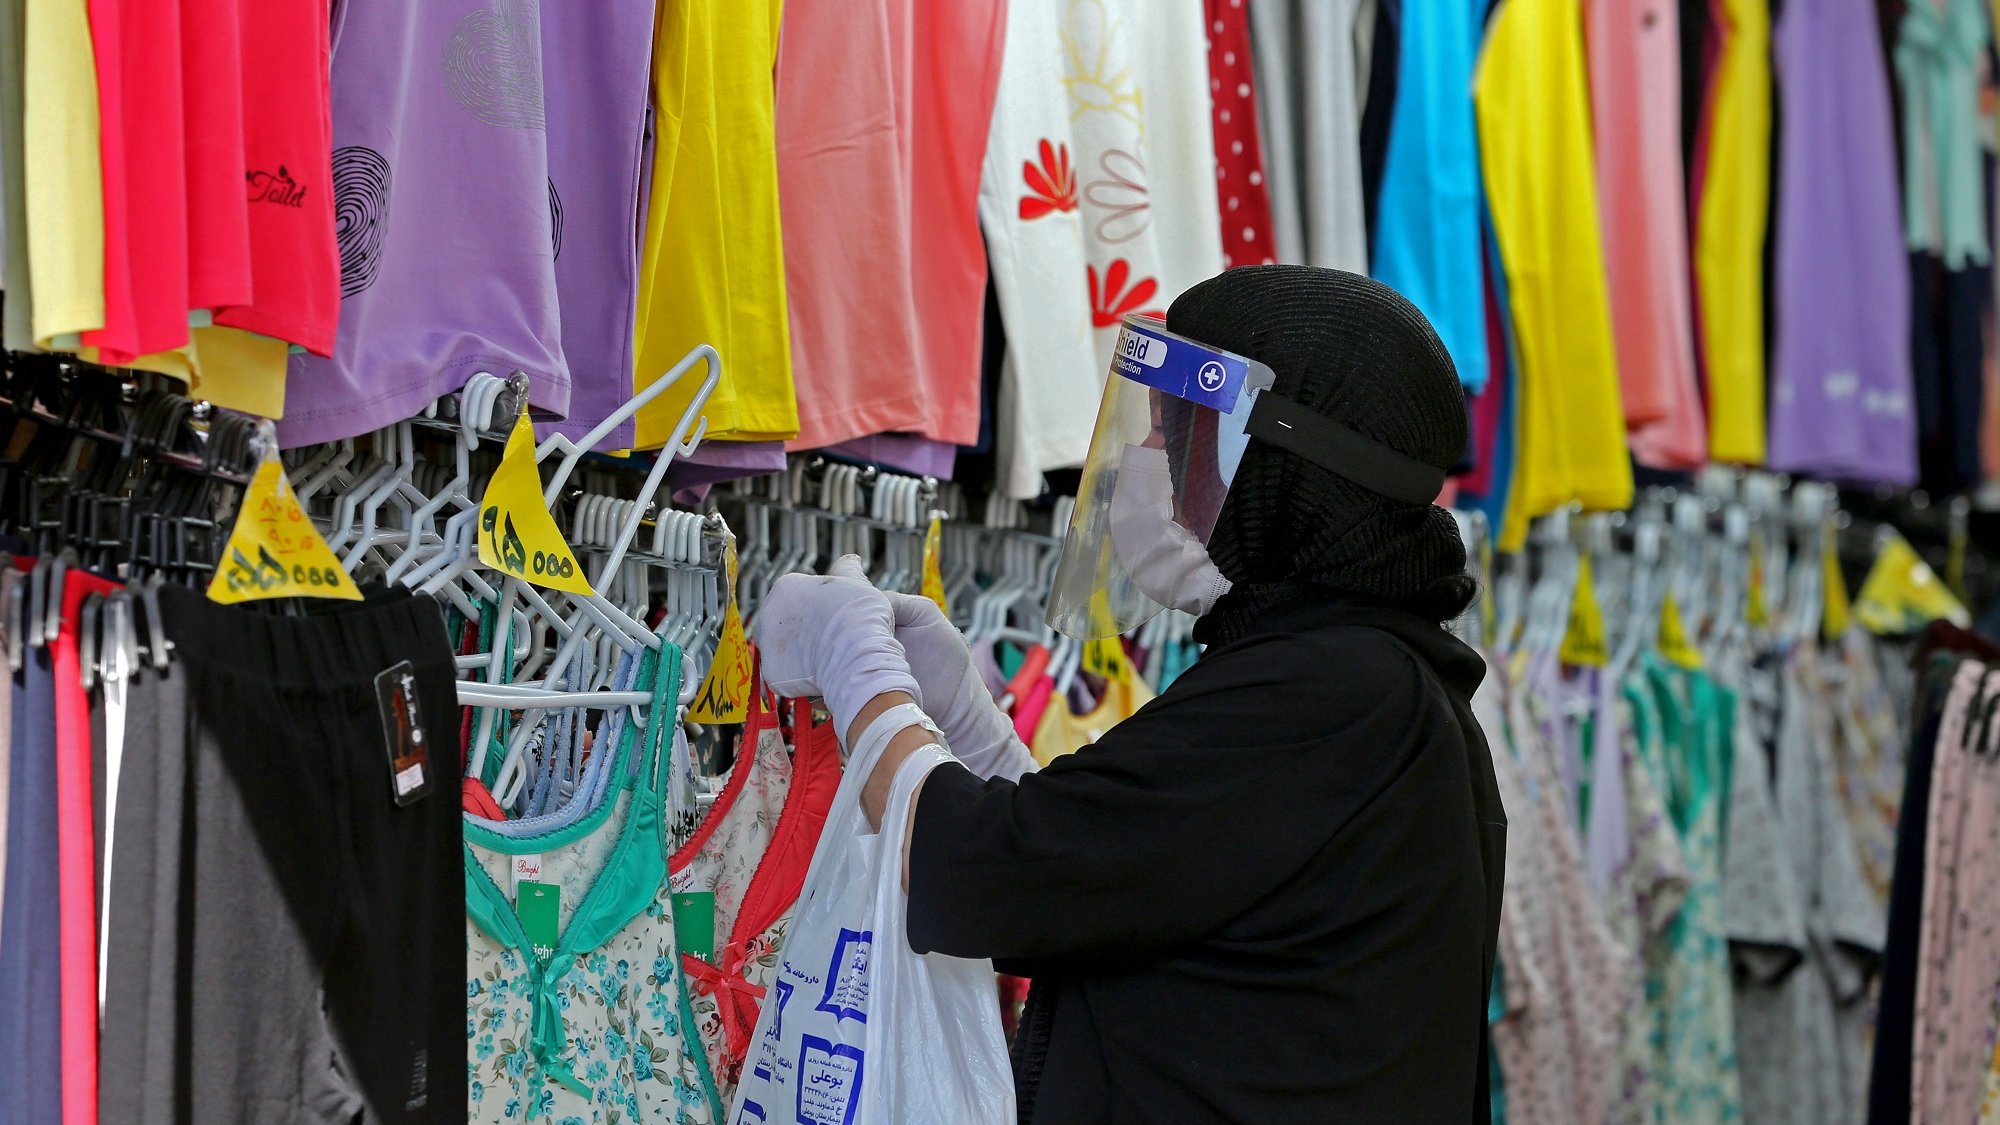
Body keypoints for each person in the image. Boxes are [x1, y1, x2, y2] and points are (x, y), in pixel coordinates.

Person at [754, 265, 1506, 1123]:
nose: (1145, 466)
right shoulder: (1377, 683)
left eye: (1171, 435)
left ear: (1275, 468)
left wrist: (861, 673)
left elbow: (991, 874)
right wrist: (964, 720)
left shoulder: (1327, 695)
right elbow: (1109, 868)